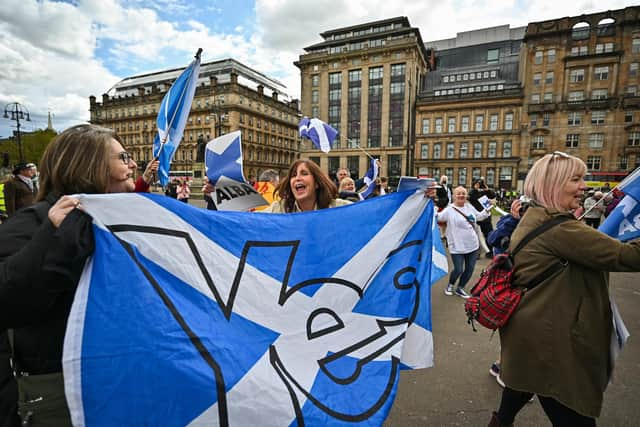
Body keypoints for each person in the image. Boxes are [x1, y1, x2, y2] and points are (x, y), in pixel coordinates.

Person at [0, 124, 138, 426]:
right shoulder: (32, 224)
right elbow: (8, 299)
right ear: (90, 166)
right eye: (123, 157)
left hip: (116, 385)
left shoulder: (114, 221)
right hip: (60, 397)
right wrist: (56, 239)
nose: (133, 164)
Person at [490, 151, 640, 427]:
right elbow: (629, 257)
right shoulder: (559, 228)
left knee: (523, 380)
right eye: (576, 179)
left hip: (532, 330)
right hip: (553, 340)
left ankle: (501, 421)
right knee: (572, 412)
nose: (584, 185)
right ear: (553, 183)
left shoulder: (537, 217)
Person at [436, 186, 492, 298]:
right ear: (454, 196)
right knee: (458, 269)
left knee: (470, 269)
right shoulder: (449, 210)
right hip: (457, 245)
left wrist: (487, 210)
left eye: (463, 193)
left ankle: (460, 288)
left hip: (472, 244)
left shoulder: (469, 207)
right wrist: (430, 210)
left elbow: (478, 217)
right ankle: (450, 285)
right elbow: (438, 218)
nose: (461, 195)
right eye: (458, 194)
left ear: (466, 196)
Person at [263, 159, 351, 213]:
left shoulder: (338, 208)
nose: (297, 178)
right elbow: (256, 220)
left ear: (316, 183)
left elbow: (361, 213)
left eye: (304, 174)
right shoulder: (279, 209)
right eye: (293, 175)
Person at [469, 178, 496, 258]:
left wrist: (487, 190)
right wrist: (475, 188)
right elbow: (471, 197)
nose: (479, 185)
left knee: (489, 234)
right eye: (477, 184)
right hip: (476, 216)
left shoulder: (485, 192)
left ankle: (490, 251)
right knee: (476, 236)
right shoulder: (472, 192)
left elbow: (493, 195)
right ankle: (476, 252)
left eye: (480, 184)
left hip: (486, 217)